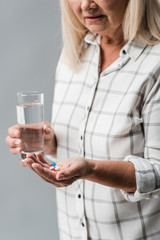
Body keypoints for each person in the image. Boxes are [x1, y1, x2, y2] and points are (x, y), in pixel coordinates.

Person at [6, 0, 160, 239]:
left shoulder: (155, 65)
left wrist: (90, 169)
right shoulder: (74, 57)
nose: (86, 5)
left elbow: (158, 172)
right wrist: (50, 142)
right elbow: (84, 139)